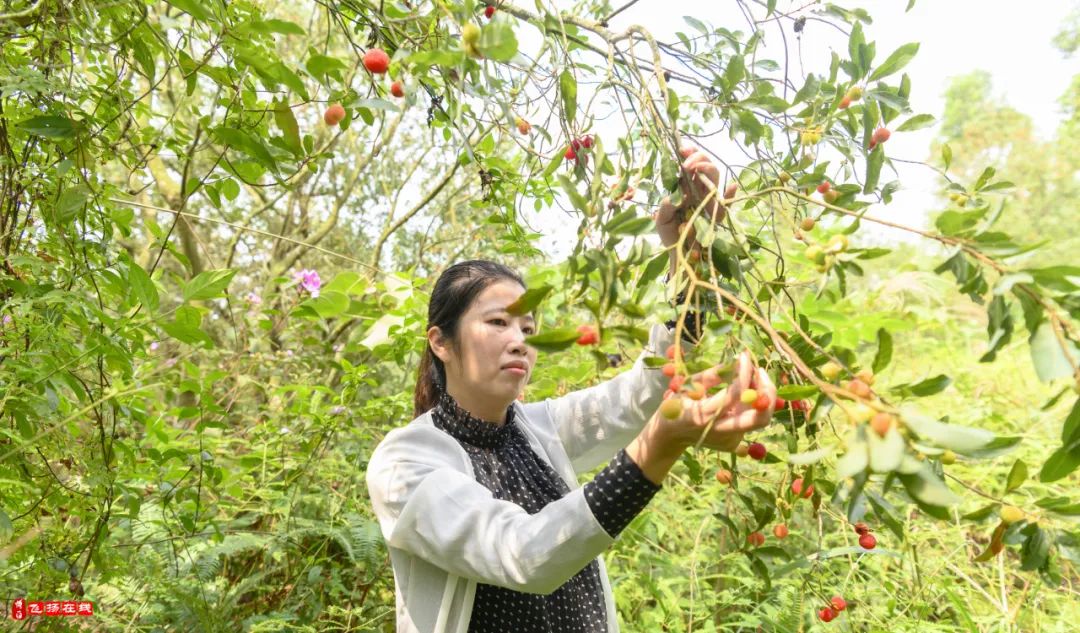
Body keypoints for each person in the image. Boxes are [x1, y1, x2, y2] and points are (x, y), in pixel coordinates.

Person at [365, 147, 777, 633]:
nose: (519, 340)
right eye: (497, 322)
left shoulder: (538, 428)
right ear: (441, 342)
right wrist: (660, 445)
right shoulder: (404, 463)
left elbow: (641, 392)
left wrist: (689, 253)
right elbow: (523, 554)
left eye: (528, 327)